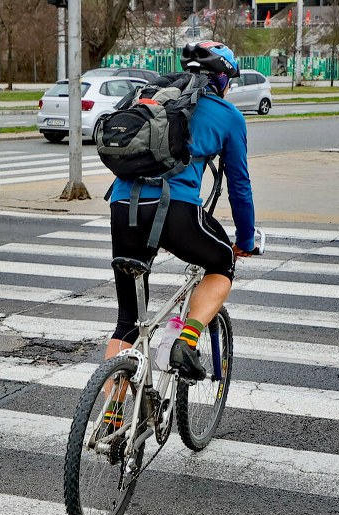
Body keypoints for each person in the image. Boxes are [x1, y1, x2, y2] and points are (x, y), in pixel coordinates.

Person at [105, 40, 256, 382]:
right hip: (173, 209)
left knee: (127, 320)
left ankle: (111, 421)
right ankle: (185, 342)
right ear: (222, 80)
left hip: (122, 205)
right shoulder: (228, 116)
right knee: (222, 263)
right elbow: (240, 187)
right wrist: (245, 239)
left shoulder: (150, 97)